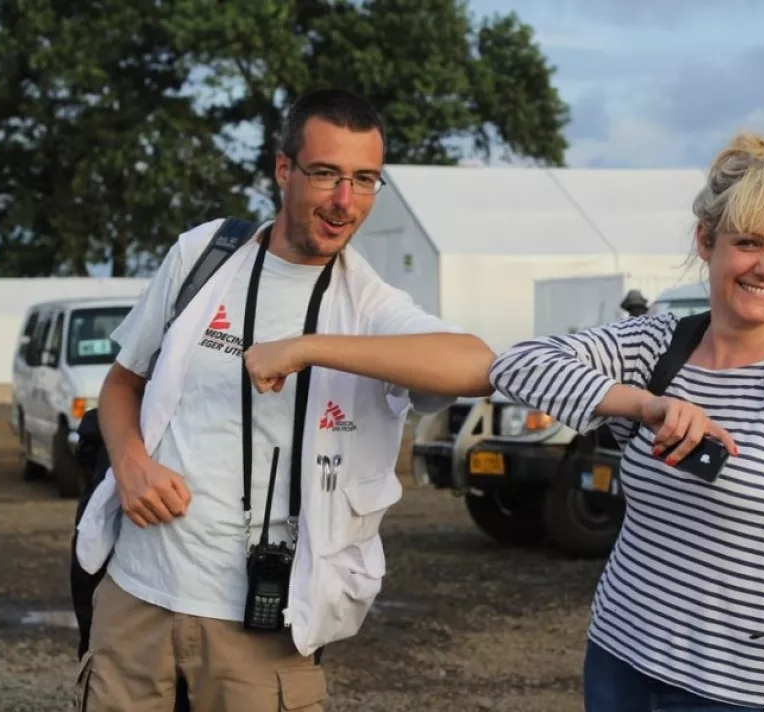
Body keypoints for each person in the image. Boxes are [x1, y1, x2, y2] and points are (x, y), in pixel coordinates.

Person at [74, 89, 496, 711]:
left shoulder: (370, 305)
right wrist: (132, 464)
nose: (345, 201)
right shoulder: (203, 255)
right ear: (283, 169)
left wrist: (306, 348)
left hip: (264, 621)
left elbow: (478, 365)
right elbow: (122, 382)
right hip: (136, 596)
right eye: (325, 173)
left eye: (364, 180)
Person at [489, 133, 764, 711]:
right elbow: (517, 364)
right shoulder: (658, 344)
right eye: (748, 242)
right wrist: (643, 405)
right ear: (706, 240)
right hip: (619, 656)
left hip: (738, 690)